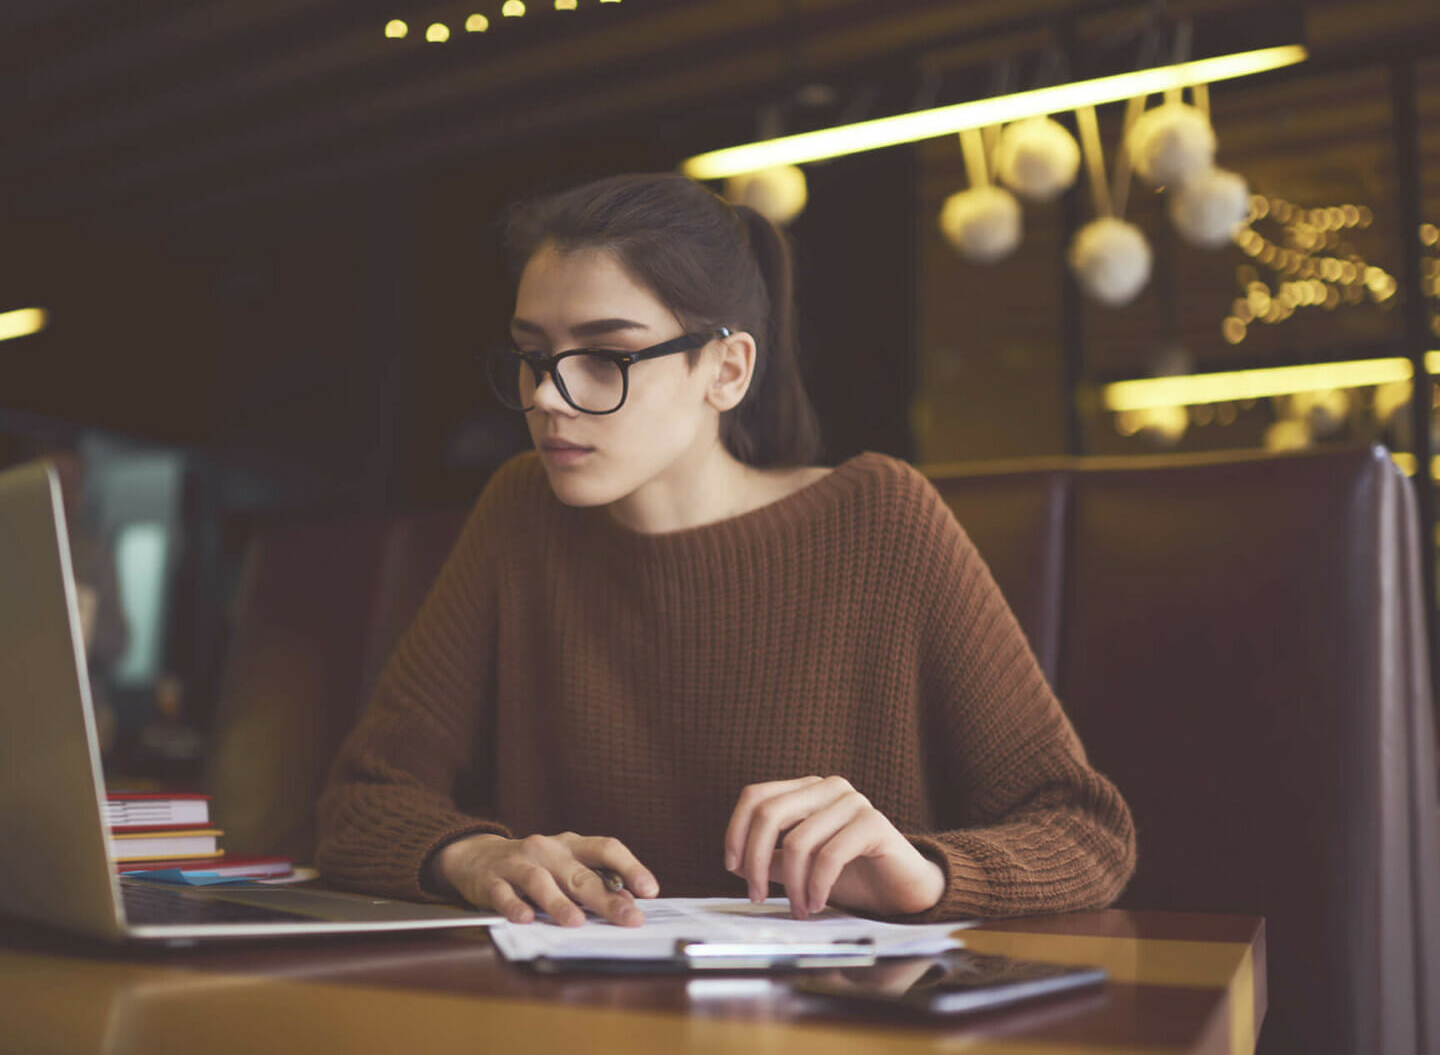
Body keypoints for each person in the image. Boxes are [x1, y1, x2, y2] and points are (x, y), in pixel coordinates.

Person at [316, 173, 1135, 928]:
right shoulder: (519, 511)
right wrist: (477, 856)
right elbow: (364, 802)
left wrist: (922, 872)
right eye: (534, 355)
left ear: (728, 369)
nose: (548, 397)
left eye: (605, 357)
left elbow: (1084, 830)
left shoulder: (882, 519)